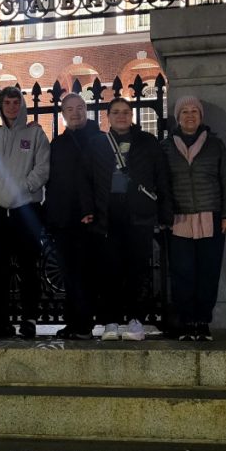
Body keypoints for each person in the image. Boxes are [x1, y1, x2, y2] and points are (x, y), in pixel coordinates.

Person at [80, 97, 172, 341]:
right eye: (116, 112)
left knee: (137, 269)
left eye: (126, 112)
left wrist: (164, 212)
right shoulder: (97, 143)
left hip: (139, 212)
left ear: (131, 116)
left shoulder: (147, 141)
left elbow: (161, 177)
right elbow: (86, 180)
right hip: (106, 213)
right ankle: (110, 321)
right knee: (110, 270)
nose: (121, 116)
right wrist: (87, 209)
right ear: (108, 117)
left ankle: (135, 319)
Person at [162, 96, 226, 341]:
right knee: (182, 272)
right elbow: (161, 184)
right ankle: (186, 321)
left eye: (194, 111)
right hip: (179, 219)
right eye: (184, 111)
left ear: (201, 116)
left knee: (208, 272)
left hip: (211, 217)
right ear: (177, 117)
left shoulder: (215, 145)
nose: (190, 115)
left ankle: (203, 321)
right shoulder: (165, 147)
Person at [0, 86, 50, 338]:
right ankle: (0, 320)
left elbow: (42, 168)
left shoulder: (35, 134)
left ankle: (29, 319)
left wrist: (24, 188)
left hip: (26, 209)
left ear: (21, 104)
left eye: (15, 102)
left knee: (29, 267)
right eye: (6, 103)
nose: (11, 107)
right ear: (0, 106)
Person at [46, 93, 101, 340]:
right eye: (70, 109)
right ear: (63, 114)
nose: (75, 112)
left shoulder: (98, 139)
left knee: (87, 273)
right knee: (68, 274)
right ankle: (72, 321)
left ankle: (84, 323)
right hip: (63, 220)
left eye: (80, 108)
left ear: (86, 110)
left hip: (88, 219)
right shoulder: (57, 144)